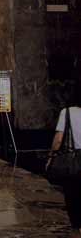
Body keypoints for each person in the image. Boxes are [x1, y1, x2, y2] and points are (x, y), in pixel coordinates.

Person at [47, 87, 81, 237]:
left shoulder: (66, 113)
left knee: (71, 192)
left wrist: (51, 155)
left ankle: (77, 224)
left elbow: (59, 139)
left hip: (73, 160)